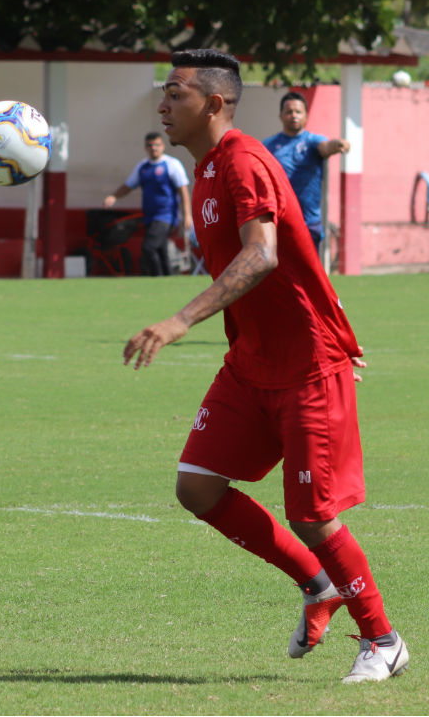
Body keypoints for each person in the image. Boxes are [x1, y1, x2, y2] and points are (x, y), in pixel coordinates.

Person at [123, 49, 408, 684]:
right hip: (251, 364)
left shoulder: (244, 161)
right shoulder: (201, 171)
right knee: (196, 486)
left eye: (175, 94)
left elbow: (264, 257)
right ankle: (316, 585)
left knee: (312, 514)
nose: (163, 105)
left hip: (306, 365)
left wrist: (178, 321)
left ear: (214, 104)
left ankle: (382, 639)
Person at [262, 92, 349, 249]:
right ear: (280, 116)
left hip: (308, 221)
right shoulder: (268, 145)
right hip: (279, 220)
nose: (293, 115)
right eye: (289, 112)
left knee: (308, 273)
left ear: (306, 115)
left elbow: (326, 147)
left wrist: (337, 144)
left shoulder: (312, 141)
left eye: (298, 112)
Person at [104, 132, 193, 276]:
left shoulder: (171, 164)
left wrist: (187, 215)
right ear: (146, 147)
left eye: (157, 145)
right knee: (160, 249)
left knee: (148, 247)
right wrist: (114, 196)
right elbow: (129, 185)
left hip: (166, 215)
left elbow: (183, 191)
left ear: (163, 146)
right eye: (150, 145)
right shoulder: (143, 167)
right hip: (149, 216)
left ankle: (156, 278)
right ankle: (169, 279)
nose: (154, 148)